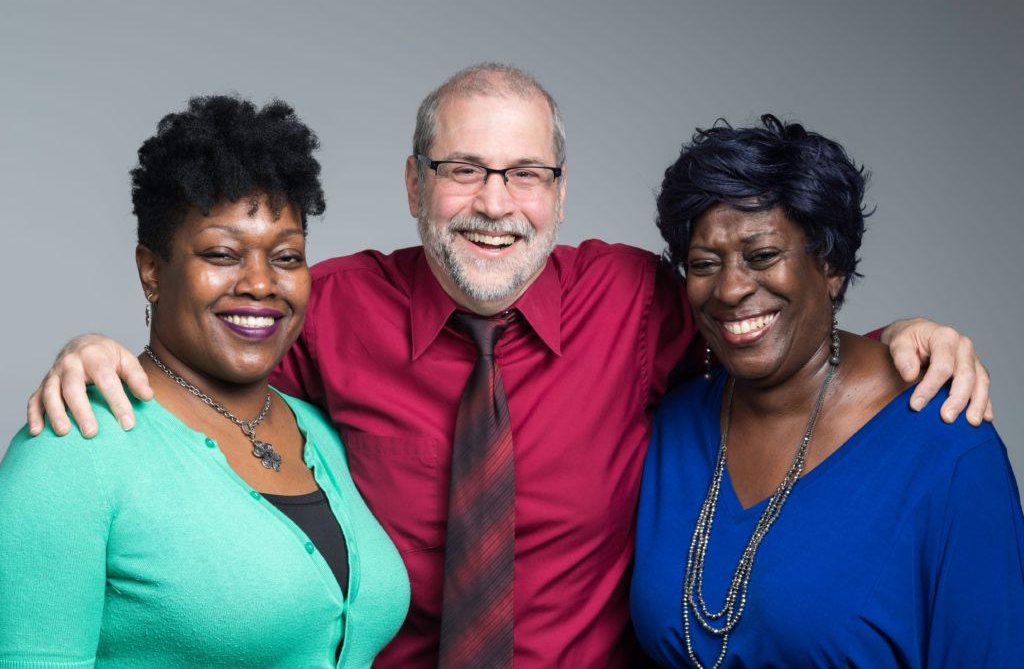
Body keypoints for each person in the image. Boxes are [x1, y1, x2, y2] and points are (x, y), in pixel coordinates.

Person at [22, 65, 993, 667]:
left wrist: (906, 334)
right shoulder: (331, 305)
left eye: (524, 172)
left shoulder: (639, 300)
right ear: (414, 184)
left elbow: (768, 319)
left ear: (560, 193)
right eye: (461, 169)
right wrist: (103, 351)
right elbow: (211, 354)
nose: (495, 201)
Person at [0, 96, 410, 667]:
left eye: (287, 257)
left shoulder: (318, 431)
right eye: (223, 253)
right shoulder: (72, 450)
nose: (261, 283)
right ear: (152, 271)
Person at [631, 115, 1024, 667]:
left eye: (763, 255)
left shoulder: (947, 452)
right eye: (704, 264)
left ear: (831, 264)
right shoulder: (674, 424)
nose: (730, 288)